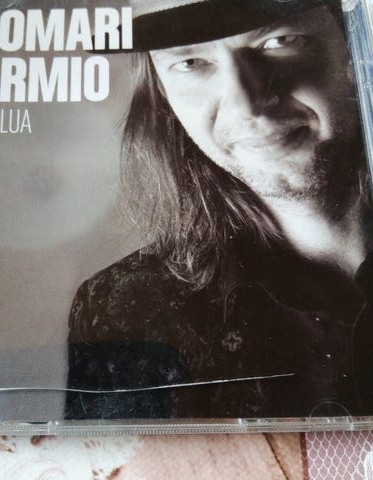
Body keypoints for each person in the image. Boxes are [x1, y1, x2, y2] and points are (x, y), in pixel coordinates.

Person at [65, 0, 373, 420]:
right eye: (191, 62)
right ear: (162, 92)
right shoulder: (124, 311)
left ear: (355, 48)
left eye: (280, 41)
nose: (246, 103)